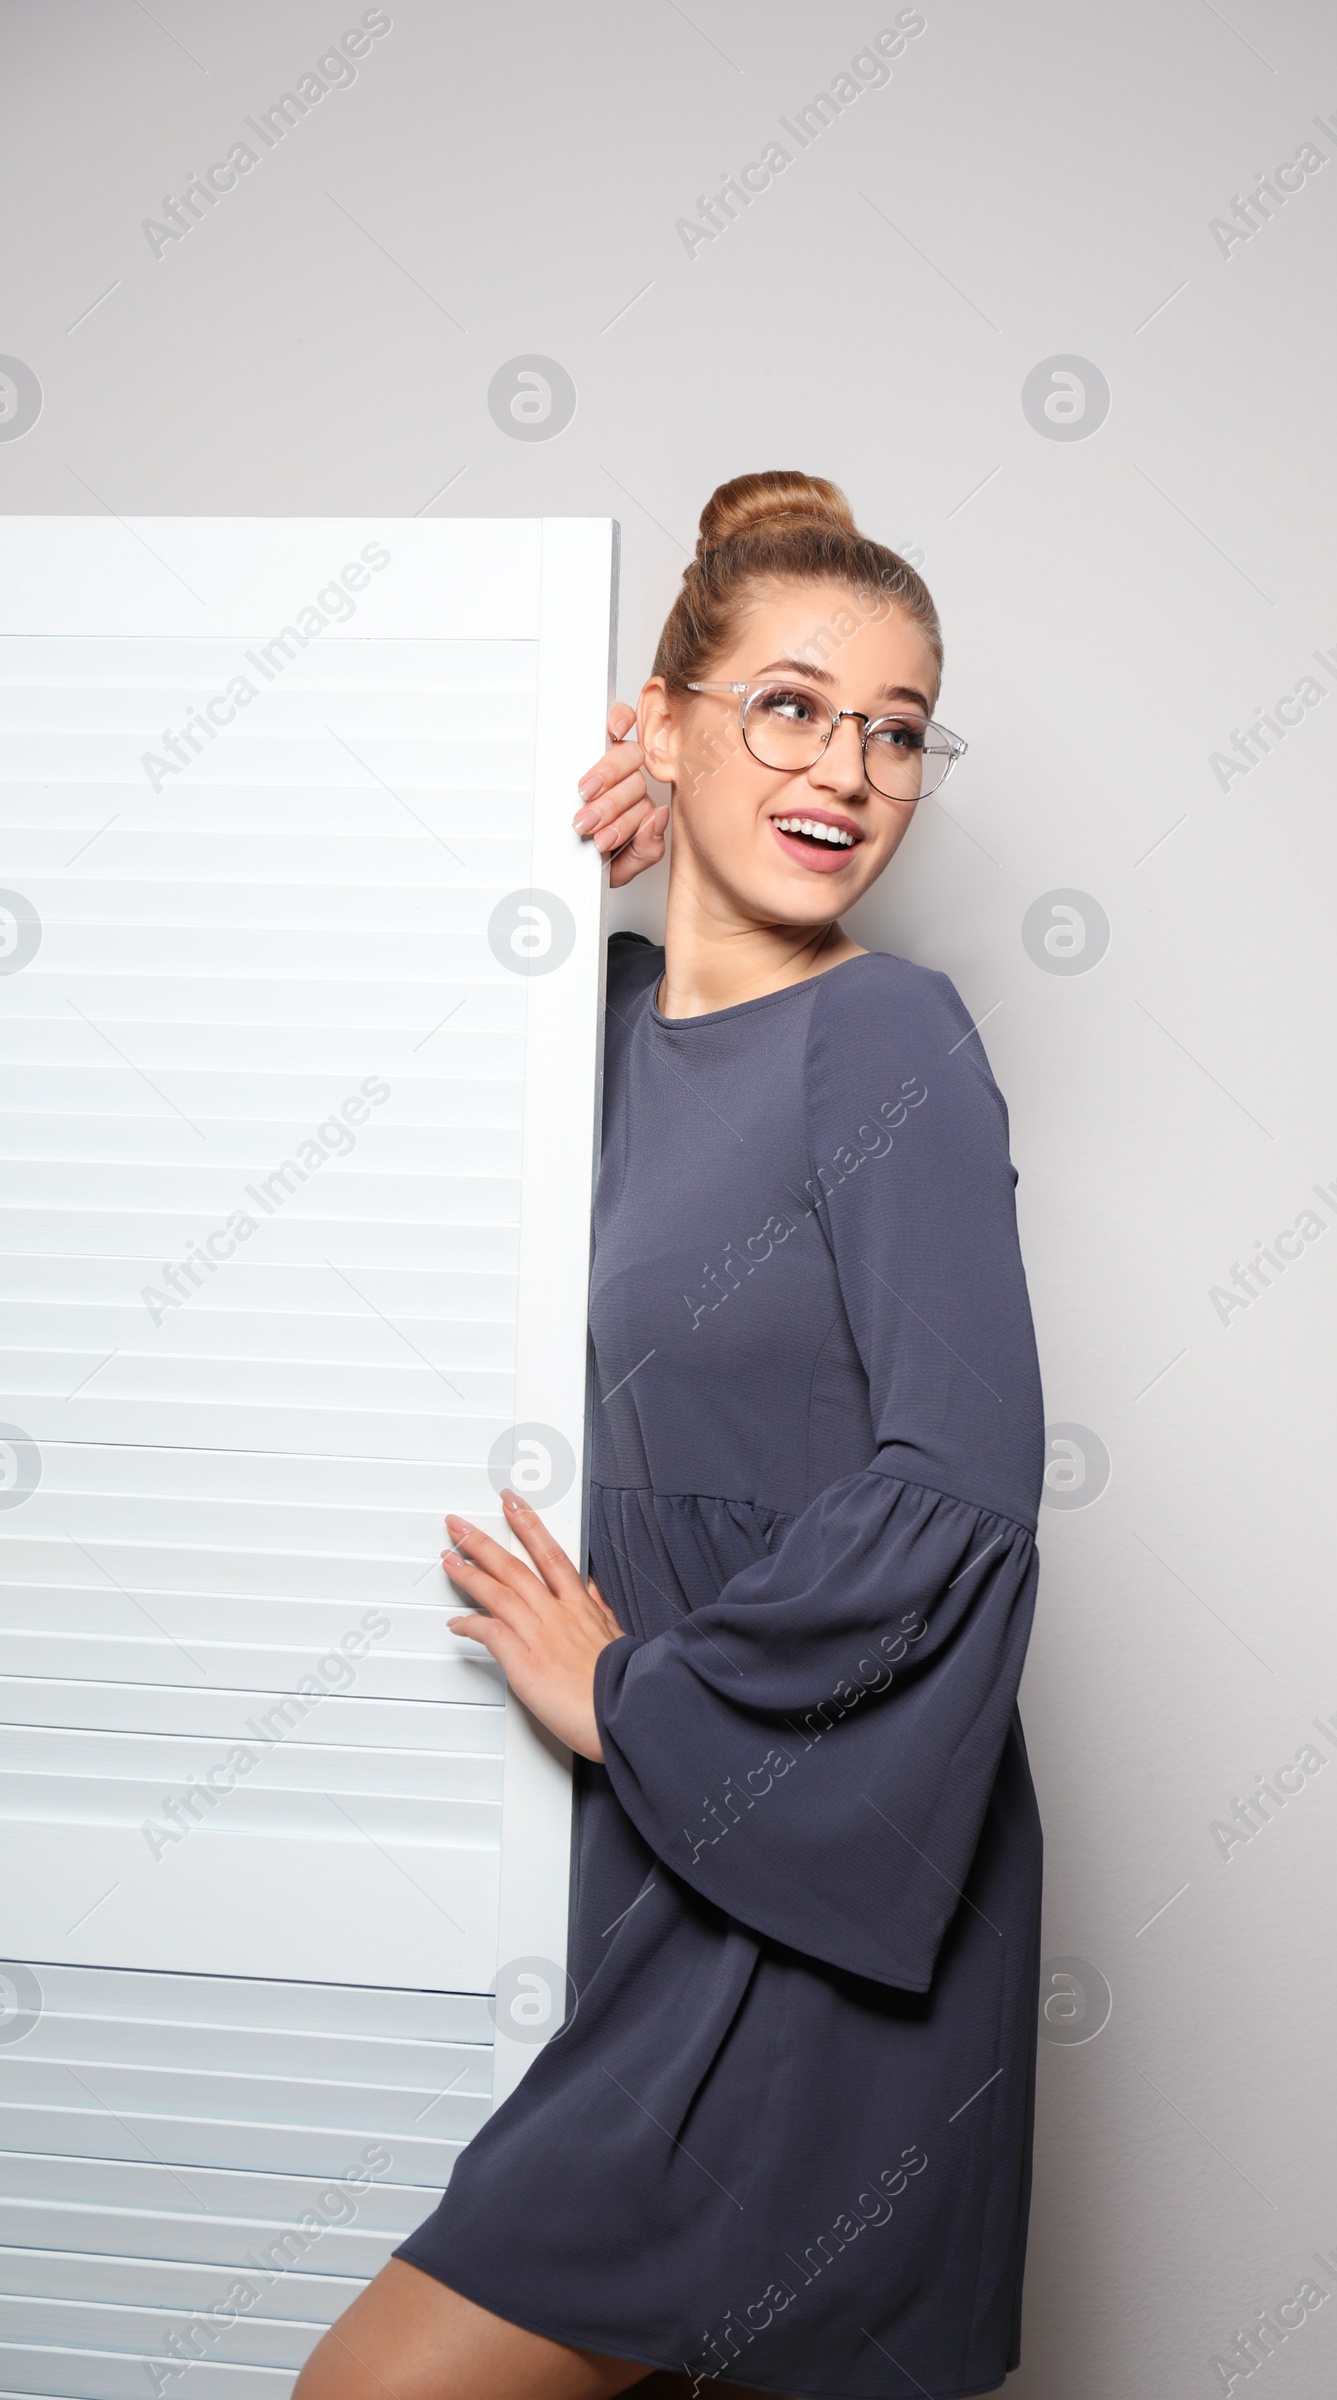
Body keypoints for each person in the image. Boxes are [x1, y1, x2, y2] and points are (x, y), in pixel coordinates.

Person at [294, 471, 1046, 2400]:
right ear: (666, 719)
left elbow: (960, 1489)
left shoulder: (891, 1041)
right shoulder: (593, 1028)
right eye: (787, 706)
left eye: (895, 730)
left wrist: (635, 1699)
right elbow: (311, 985)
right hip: (651, 1858)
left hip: (815, 1887)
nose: (850, 771)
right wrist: (566, 835)